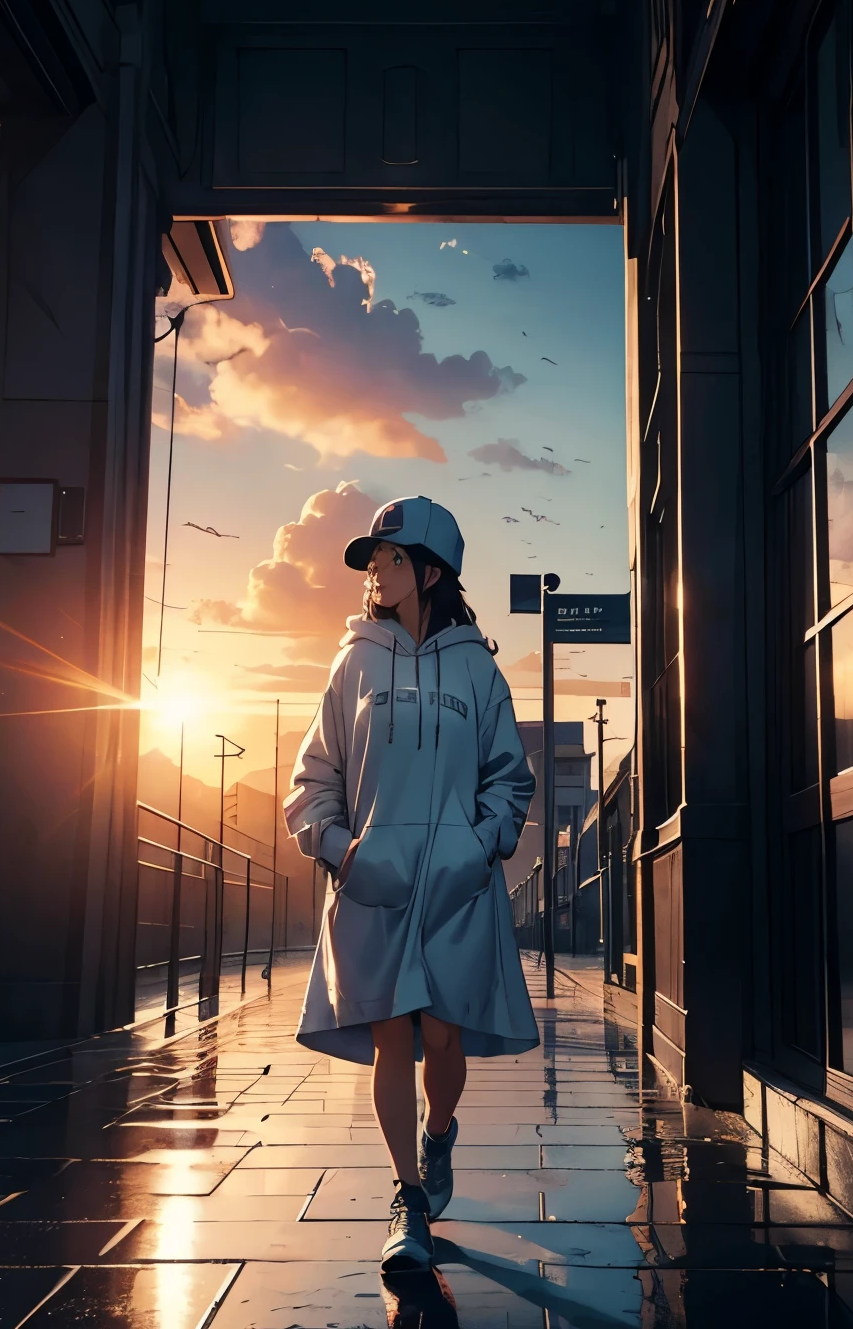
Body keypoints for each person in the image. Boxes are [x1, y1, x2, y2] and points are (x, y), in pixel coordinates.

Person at [284, 495, 539, 1272]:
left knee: (443, 1034)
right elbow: (314, 776)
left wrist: (483, 843)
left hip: (458, 890)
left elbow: (511, 778)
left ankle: (439, 1135)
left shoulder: (478, 669)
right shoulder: (352, 661)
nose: (376, 572)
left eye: (391, 558)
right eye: (372, 560)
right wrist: (340, 850)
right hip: (377, 887)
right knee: (393, 1032)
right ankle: (409, 1197)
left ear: (430, 570)